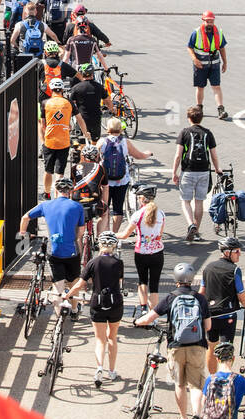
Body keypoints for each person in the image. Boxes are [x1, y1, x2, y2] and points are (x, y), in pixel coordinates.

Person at [134, 262, 210, 419]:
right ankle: (197, 416)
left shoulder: (171, 297)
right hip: (197, 346)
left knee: (180, 384)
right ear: (191, 280)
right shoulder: (200, 299)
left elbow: (150, 317)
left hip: (175, 346)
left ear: (176, 279)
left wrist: (138, 322)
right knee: (197, 385)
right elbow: (208, 326)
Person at [19, 179, 85, 319]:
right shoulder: (77, 207)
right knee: (74, 281)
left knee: (58, 285)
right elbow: (81, 231)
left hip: (54, 250)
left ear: (56, 191)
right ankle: (74, 311)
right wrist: (75, 238)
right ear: (71, 191)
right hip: (72, 251)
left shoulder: (46, 205)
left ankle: (58, 320)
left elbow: (25, 217)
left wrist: (24, 233)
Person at [67, 231, 125, 387]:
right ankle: (112, 371)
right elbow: (120, 283)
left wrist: (68, 296)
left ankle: (99, 367)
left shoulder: (92, 262)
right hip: (115, 303)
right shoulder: (118, 263)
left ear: (100, 245)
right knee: (112, 337)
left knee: (100, 339)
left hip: (97, 303)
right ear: (114, 246)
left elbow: (80, 284)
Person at [200, 237, 245, 375]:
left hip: (210, 315)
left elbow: (201, 292)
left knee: (211, 347)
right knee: (226, 349)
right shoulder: (234, 270)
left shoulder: (208, 268)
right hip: (227, 315)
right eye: (237, 251)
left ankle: (213, 379)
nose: (239, 254)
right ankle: (224, 379)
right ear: (227, 252)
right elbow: (241, 294)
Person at [173, 104, 220, 243]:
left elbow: (178, 155)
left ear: (189, 118)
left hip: (188, 171)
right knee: (199, 202)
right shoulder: (208, 133)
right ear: (201, 118)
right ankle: (197, 231)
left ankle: (190, 224)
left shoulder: (184, 132)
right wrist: (218, 169)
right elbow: (214, 155)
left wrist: (174, 172)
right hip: (204, 171)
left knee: (186, 201)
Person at [97, 117, 153, 233]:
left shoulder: (102, 142)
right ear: (121, 128)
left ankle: (105, 233)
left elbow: (93, 158)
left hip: (105, 180)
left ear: (108, 128)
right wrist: (147, 154)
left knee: (105, 207)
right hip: (121, 180)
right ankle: (115, 234)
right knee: (118, 209)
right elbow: (138, 155)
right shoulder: (125, 142)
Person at [117, 184, 165, 316]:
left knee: (142, 281)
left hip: (141, 252)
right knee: (154, 284)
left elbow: (125, 235)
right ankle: (153, 313)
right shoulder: (161, 214)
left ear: (142, 199)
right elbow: (160, 234)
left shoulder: (138, 215)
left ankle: (143, 309)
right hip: (157, 252)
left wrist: (113, 234)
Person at [188, 9, 229, 119]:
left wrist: (225, 62)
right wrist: (194, 60)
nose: (209, 23)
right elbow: (190, 47)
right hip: (200, 65)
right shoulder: (196, 33)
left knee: (216, 86)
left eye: (211, 21)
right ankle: (199, 108)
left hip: (214, 65)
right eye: (207, 21)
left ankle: (221, 109)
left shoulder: (219, 32)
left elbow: (222, 48)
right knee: (200, 87)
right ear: (203, 20)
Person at [40, 78, 73, 197]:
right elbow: (69, 122)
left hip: (50, 141)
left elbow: (43, 124)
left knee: (48, 170)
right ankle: (58, 196)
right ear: (62, 89)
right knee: (60, 172)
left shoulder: (45, 103)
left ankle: (47, 193)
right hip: (64, 141)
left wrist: (44, 138)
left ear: (51, 89)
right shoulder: (67, 102)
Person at [68, 62, 110, 144]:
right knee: (95, 142)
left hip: (81, 119)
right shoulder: (99, 87)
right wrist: (112, 109)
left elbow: (70, 104)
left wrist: (69, 119)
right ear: (92, 73)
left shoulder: (76, 88)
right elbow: (107, 100)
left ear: (82, 74)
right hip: (96, 118)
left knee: (81, 143)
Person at [62, 4, 111, 72]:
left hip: (74, 56)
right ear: (85, 13)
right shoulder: (90, 25)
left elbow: (64, 40)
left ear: (74, 14)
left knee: (72, 61)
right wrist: (107, 42)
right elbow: (99, 34)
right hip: (88, 50)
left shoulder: (70, 26)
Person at [10, 1, 47, 72]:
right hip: (38, 54)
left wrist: (17, 47)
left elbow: (12, 40)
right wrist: (58, 42)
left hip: (24, 53)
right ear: (35, 11)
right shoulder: (42, 24)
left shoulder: (19, 24)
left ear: (26, 11)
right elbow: (52, 35)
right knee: (37, 72)